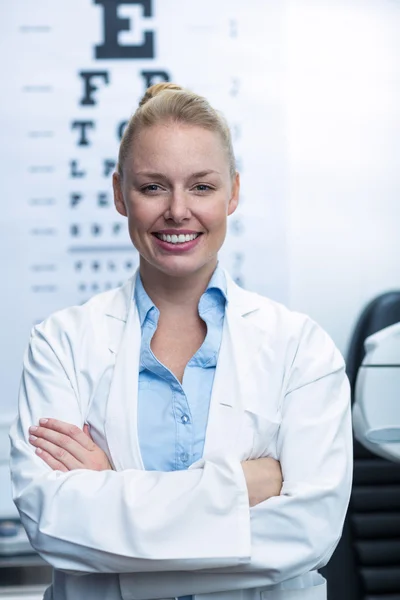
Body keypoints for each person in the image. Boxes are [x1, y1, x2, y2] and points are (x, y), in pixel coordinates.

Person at [9, 83, 353, 600]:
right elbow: (54, 526)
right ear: (119, 193)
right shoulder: (61, 343)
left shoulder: (301, 348)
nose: (177, 211)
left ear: (233, 192)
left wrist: (110, 494)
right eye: (152, 187)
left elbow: (307, 537)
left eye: (201, 186)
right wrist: (242, 488)